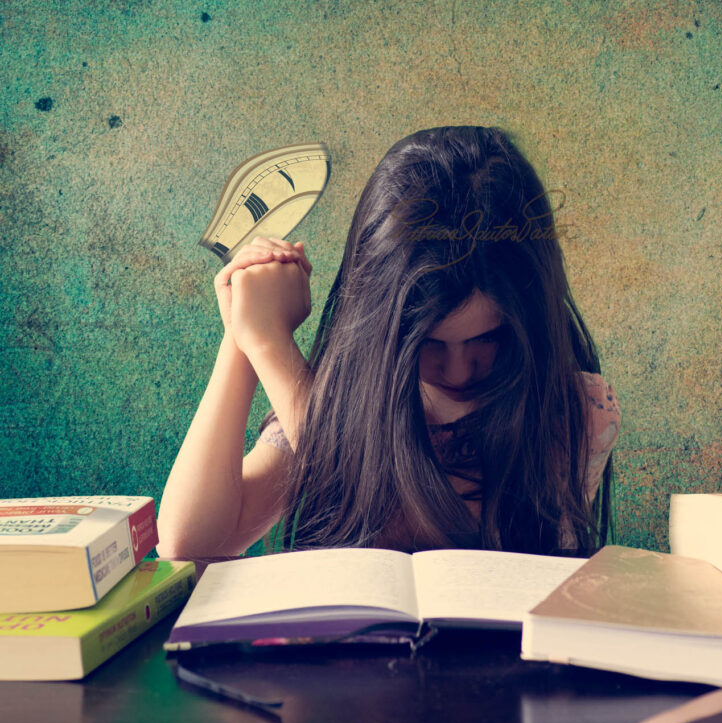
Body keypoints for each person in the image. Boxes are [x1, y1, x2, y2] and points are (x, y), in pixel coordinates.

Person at [157, 126, 620, 561]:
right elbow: (190, 543)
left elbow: (420, 529)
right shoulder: (337, 405)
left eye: (486, 339)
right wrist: (244, 335)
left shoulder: (570, 414)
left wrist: (271, 345)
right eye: (428, 344)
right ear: (379, 329)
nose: (457, 371)